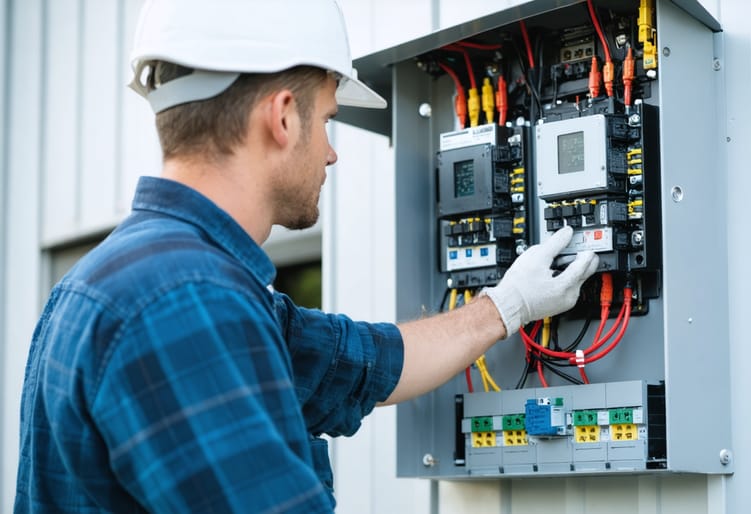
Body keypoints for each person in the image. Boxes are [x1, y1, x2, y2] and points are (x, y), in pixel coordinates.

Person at [14, 1, 599, 512]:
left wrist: (506, 305)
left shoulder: (145, 281)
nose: (331, 153)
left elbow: (365, 362)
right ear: (283, 117)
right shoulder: (183, 303)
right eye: (326, 121)